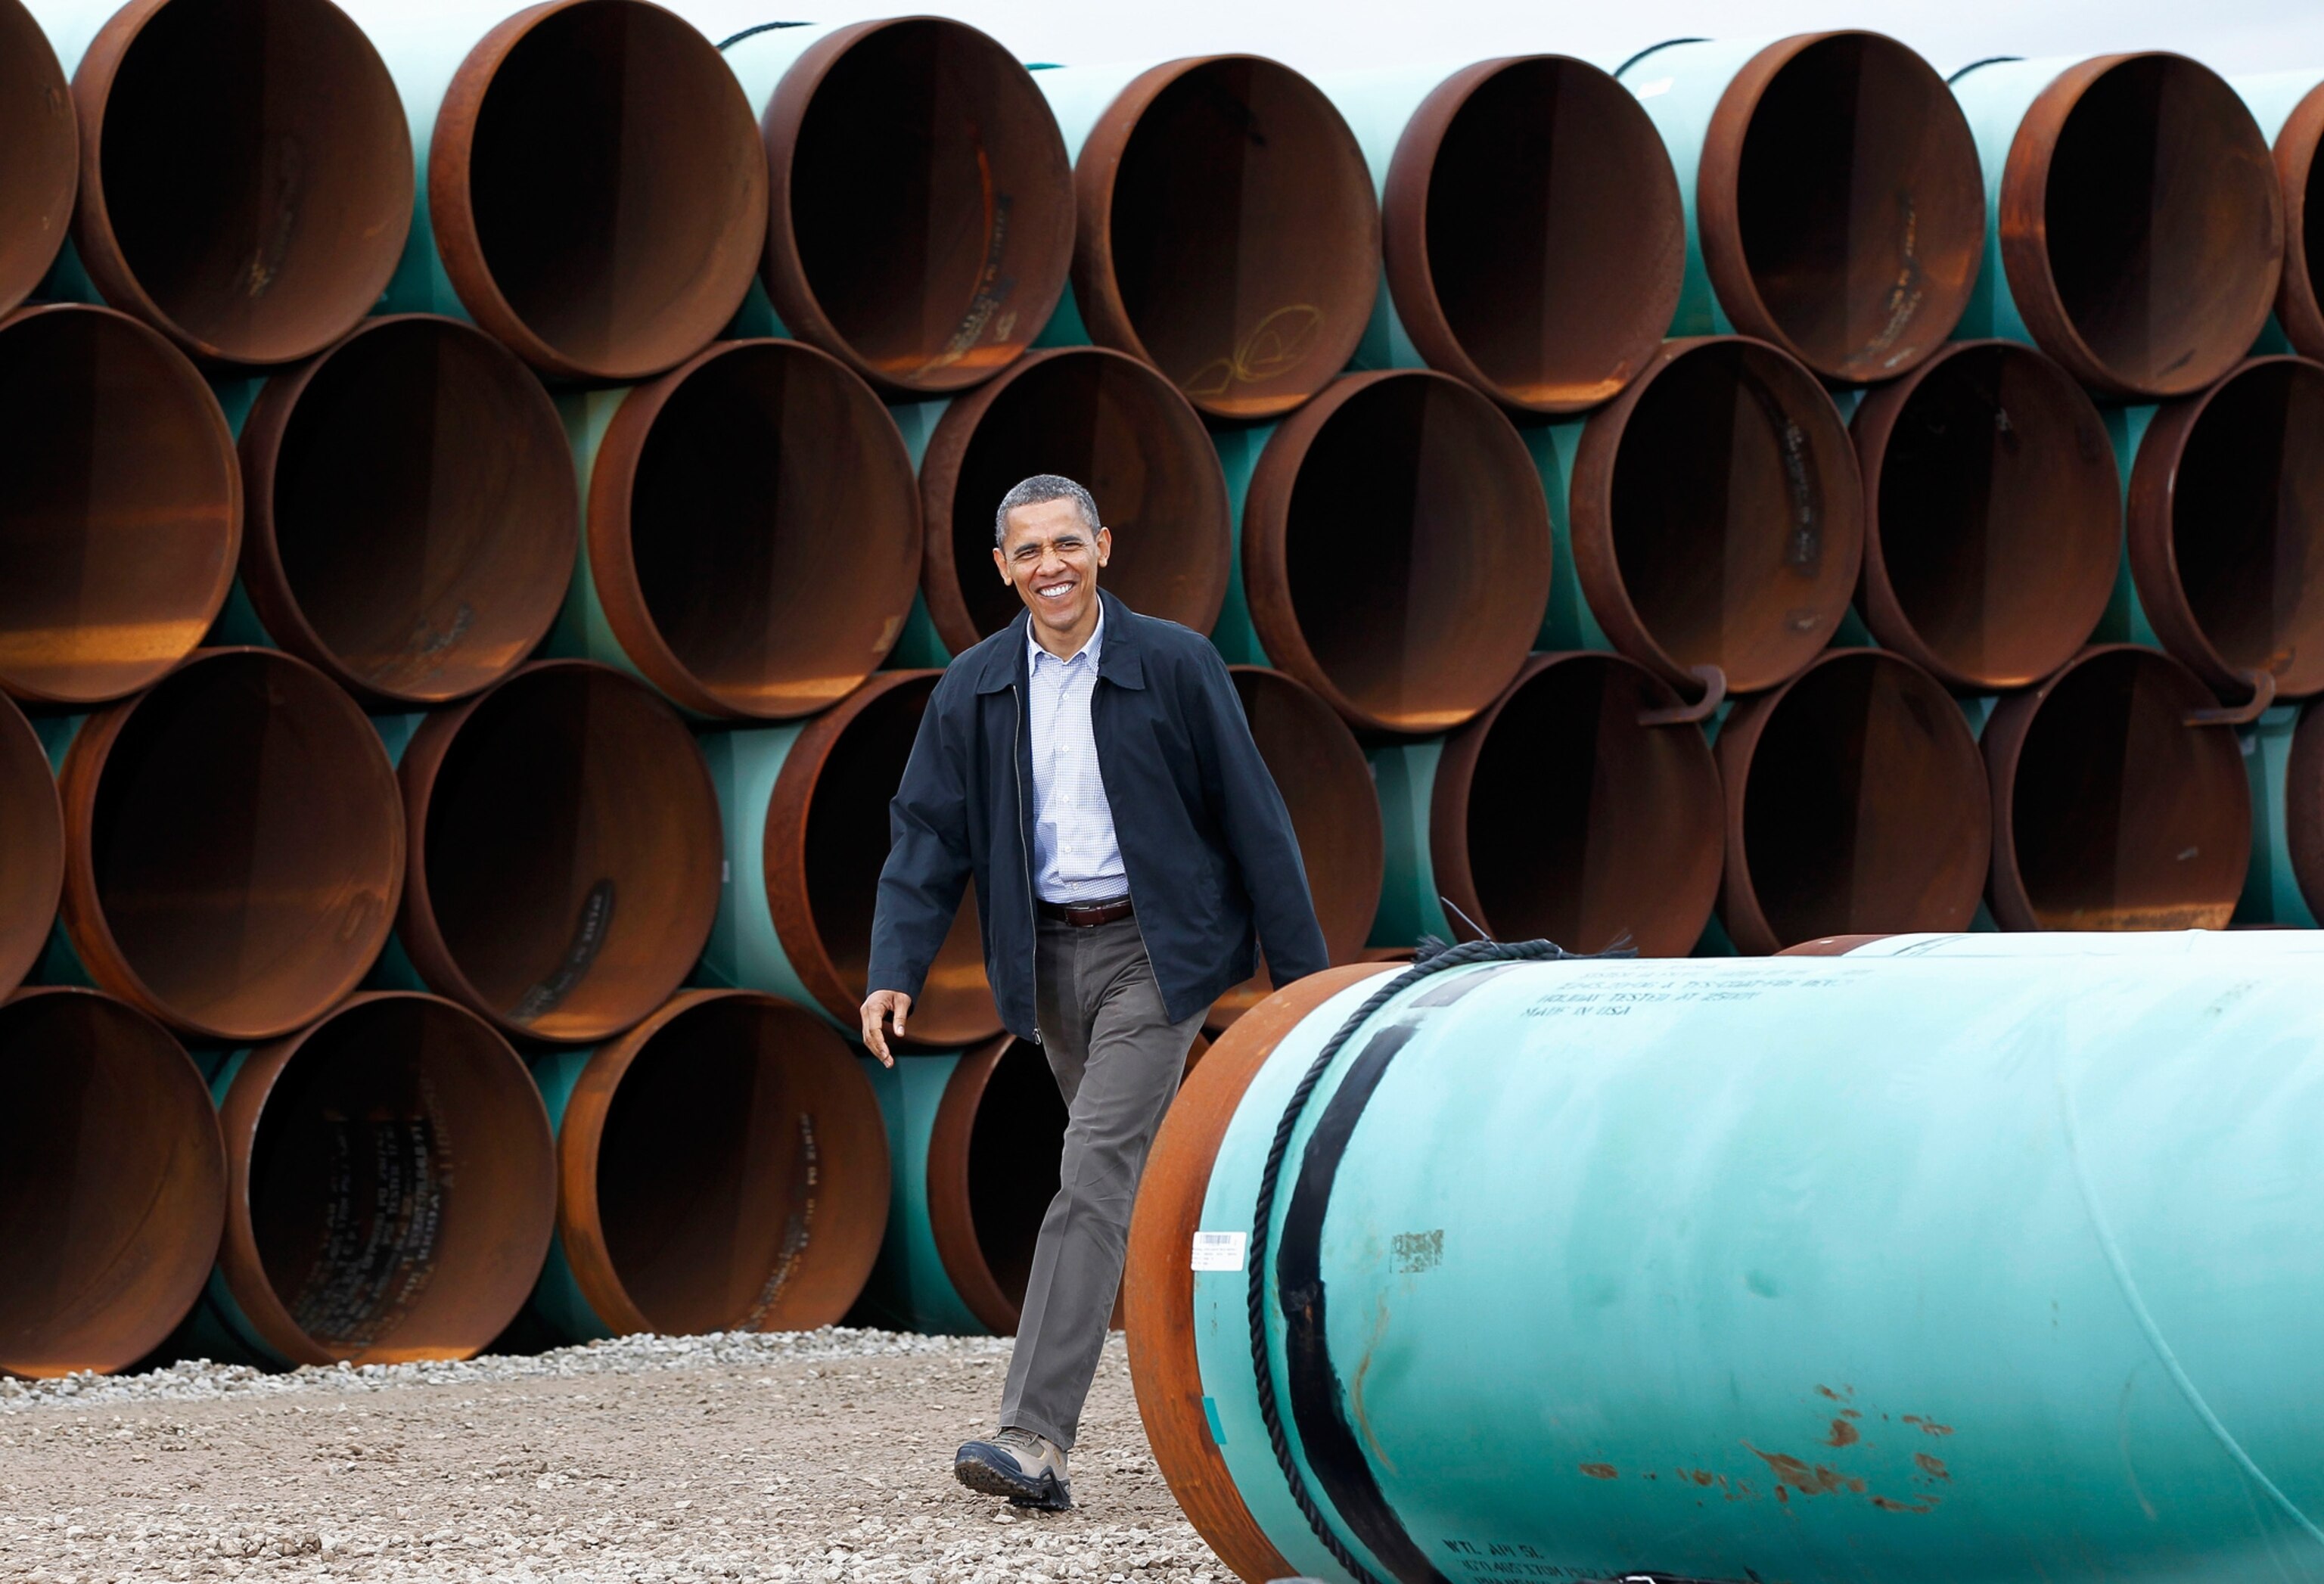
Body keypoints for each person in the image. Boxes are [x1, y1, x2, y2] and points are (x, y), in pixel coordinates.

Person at [860, 473, 1328, 1512]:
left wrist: (1306, 993)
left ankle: (1034, 1436)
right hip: (1047, 964)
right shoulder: (976, 687)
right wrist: (895, 967)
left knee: (1093, 1173)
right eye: (1028, 551)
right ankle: (1284, 1368)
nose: (1051, 566)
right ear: (1002, 569)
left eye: (1066, 543)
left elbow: (1255, 818)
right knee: (1158, 1189)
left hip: (1158, 953)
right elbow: (927, 833)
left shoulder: (1174, 664)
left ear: (1103, 547)